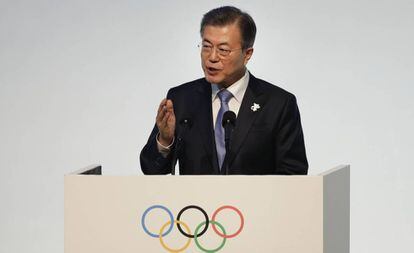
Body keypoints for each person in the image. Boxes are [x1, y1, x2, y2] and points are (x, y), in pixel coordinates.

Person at [140, 6, 308, 175]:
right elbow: (151, 170)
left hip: (255, 201)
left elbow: (294, 174)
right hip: (197, 201)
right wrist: (165, 140)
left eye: (223, 50)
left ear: (247, 54)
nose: (212, 57)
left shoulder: (278, 104)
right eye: (206, 46)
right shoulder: (182, 98)